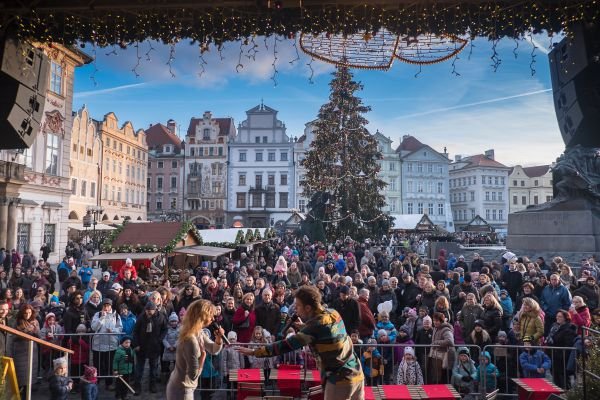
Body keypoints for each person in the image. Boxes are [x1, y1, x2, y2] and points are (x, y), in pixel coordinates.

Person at [236, 285, 364, 400]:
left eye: (297, 306)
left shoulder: (314, 327)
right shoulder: (333, 312)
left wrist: (254, 352)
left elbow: (284, 346)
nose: (295, 310)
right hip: (356, 372)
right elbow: (327, 333)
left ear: (308, 308)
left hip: (340, 380)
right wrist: (304, 327)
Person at [166, 299, 224, 400]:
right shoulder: (190, 339)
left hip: (185, 385)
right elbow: (193, 375)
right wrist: (203, 356)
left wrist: (218, 339)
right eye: (211, 315)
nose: (213, 319)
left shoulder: (199, 332)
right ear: (202, 316)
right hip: (182, 388)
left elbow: (214, 349)